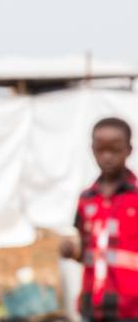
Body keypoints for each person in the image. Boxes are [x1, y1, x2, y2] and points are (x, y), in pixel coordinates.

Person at [61, 117, 138, 321]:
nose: (107, 157)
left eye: (115, 150)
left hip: (131, 309)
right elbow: (85, 251)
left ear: (129, 150)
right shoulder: (86, 199)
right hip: (93, 308)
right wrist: (72, 251)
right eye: (101, 150)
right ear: (92, 150)